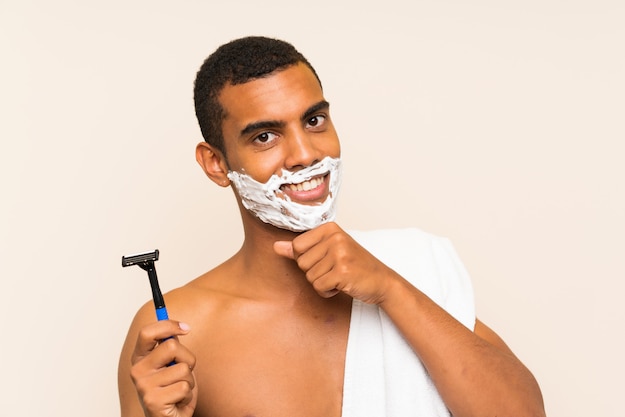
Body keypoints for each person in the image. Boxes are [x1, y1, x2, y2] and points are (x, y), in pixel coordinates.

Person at [118, 36, 545, 417]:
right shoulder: (179, 332)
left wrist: (390, 289)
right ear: (216, 163)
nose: (304, 153)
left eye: (314, 120)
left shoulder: (410, 269)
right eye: (265, 136)